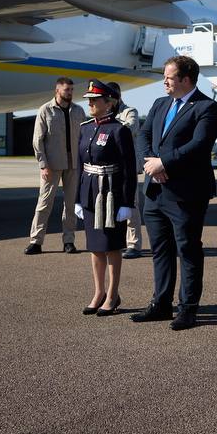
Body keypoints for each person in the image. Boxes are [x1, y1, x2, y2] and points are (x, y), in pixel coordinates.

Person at [132, 55, 217, 331]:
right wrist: (151, 163)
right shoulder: (160, 104)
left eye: (169, 77)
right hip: (156, 191)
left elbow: (199, 145)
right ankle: (161, 304)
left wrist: (165, 163)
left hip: (186, 193)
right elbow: (144, 136)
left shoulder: (207, 107)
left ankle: (188, 308)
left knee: (188, 249)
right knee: (161, 250)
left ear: (185, 79)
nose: (164, 81)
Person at [74, 81, 136, 316]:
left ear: (109, 103)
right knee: (95, 247)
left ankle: (112, 294)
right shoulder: (86, 127)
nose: (89, 103)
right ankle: (98, 292)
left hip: (111, 195)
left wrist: (127, 203)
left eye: (94, 100)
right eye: (88, 99)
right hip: (90, 193)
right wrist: (78, 199)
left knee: (111, 247)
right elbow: (80, 165)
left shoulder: (119, 130)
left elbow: (129, 170)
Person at [26, 77, 86, 255]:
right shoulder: (45, 110)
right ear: (57, 90)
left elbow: (84, 138)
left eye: (72, 90)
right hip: (51, 165)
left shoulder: (78, 111)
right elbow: (38, 140)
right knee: (44, 203)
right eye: (67, 90)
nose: (70, 93)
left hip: (74, 165)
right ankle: (36, 242)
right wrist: (43, 165)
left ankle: (69, 242)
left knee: (70, 206)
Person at [112, 84, 146, 259]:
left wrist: (108, 128)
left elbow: (129, 129)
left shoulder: (129, 111)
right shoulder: (104, 113)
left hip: (127, 167)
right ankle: (117, 241)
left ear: (117, 97)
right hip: (109, 167)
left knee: (130, 205)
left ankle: (134, 244)